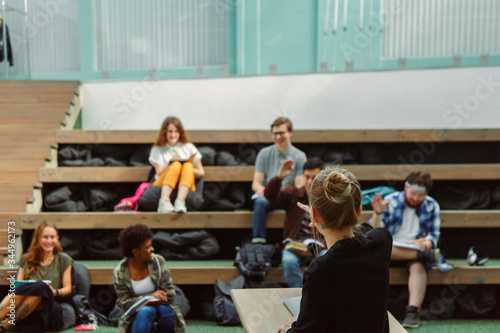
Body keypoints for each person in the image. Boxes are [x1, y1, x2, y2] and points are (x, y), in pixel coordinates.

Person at [279, 166, 392, 333]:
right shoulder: (382, 241)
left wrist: (291, 327)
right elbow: (367, 230)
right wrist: (320, 217)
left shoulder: (320, 270)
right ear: (359, 210)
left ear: (313, 215)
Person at [370, 170, 441, 329]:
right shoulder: (390, 201)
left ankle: (412, 312)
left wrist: (426, 245)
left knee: (418, 266)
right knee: (384, 247)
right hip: (391, 248)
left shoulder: (432, 205)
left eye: (420, 195)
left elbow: (433, 235)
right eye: (413, 194)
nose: (415, 199)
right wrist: (378, 213)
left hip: (414, 249)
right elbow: (374, 232)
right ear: (405, 188)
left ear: (426, 194)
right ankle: (424, 255)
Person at [0, 221, 72, 332]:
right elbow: (18, 287)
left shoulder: (63, 259)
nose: (49, 241)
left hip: (48, 303)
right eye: (45, 237)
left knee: (41, 288)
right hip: (25, 301)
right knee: (35, 288)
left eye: (52, 237)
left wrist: (55, 292)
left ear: (57, 238)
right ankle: (4, 323)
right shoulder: (26, 259)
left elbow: (68, 289)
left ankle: (8, 323)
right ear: (38, 238)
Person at [264, 157, 324, 287]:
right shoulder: (294, 194)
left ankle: (317, 293)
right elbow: (269, 195)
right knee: (288, 260)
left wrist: (314, 250)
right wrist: (279, 178)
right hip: (294, 246)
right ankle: (299, 295)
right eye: (306, 177)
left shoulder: (327, 199)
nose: (309, 182)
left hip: (319, 247)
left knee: (327, 259)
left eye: (314, 177)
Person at [114, 224, 186, 333]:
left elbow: (169, 294)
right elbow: (124, 303)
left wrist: (148, 301)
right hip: (136, 314)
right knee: (145, 311)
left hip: (164, 308)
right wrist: (147, 299)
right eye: (147, 247)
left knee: (150, 311)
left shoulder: (158, 262)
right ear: (135, 252)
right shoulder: (120, 272)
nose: (152, 249)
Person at [252, 117, 307, 243]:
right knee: (260, 201)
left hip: (288, 198)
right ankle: (258, 243)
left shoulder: (299, 156)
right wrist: (261, 189)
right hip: (269, 196)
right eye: (275, 133)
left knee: (298, 204)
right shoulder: (264, 153)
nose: (278, 137)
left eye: (281, 133)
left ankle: (291, 242)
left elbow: (299, 187)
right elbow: (255, 183)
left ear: (290, 133)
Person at [149, 116, 204, 213]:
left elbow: (201, 172)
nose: (173, 135)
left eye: (176, 131)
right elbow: (159, 173)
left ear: (180, 132)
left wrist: (185, 169)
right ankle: (164, 201)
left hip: (186, 183)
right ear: (164, 132)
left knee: (187, 166)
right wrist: (172, 163)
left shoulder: (189, 147)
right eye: (170, 132)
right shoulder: (157, 149)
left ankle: (180, 201)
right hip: (162, 183)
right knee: (176, 165)